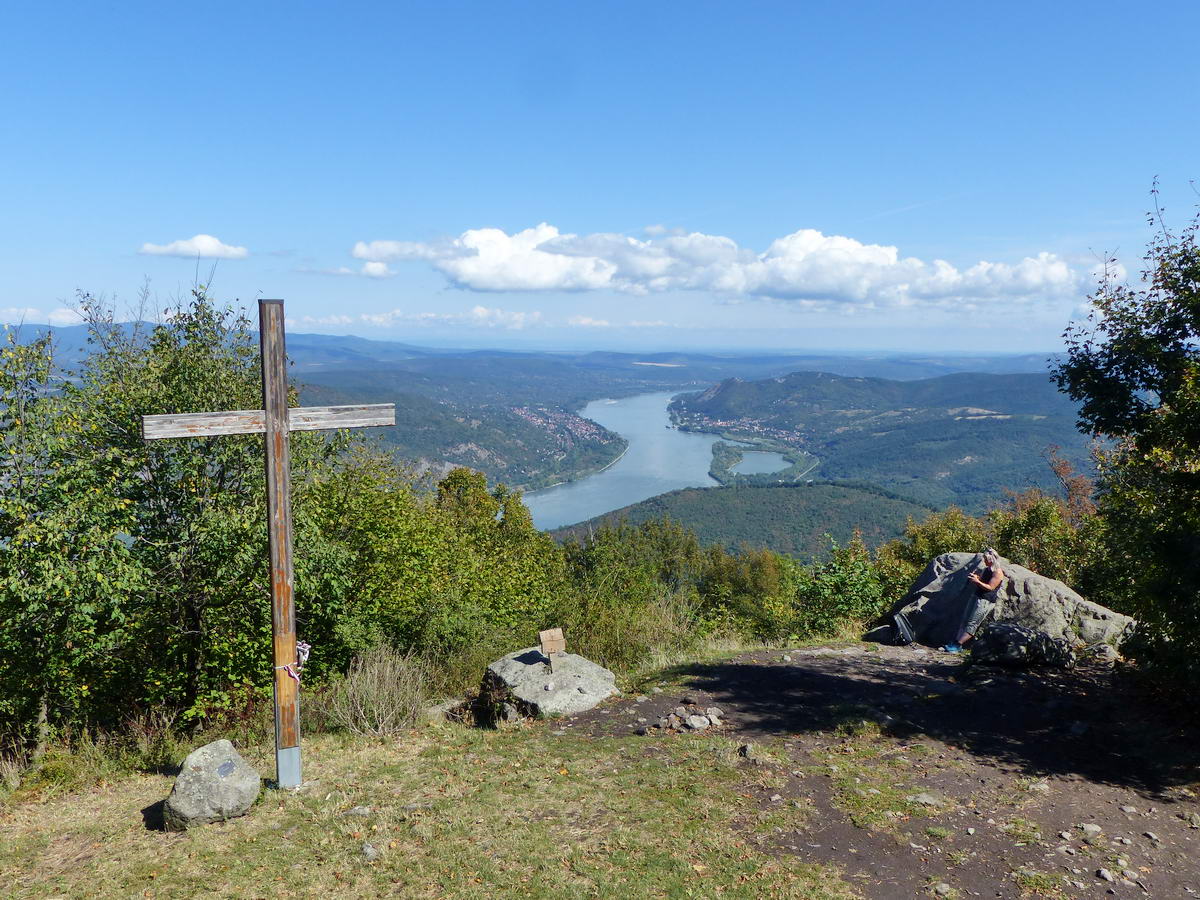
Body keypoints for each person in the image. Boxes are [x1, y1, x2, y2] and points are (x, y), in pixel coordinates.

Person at [942, 549, 1005, 653]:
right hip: (976, 596)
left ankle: (958, 645)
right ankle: (955, 643)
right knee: (965, 620)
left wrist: (977, 581)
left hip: (985, 600)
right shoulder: (987, 569)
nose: (984, 561)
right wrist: (976, 578)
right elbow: (983, 581)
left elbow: (990, 587)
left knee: (972, 623)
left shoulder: (997, 572)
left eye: (986, 559)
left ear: (991, 559)